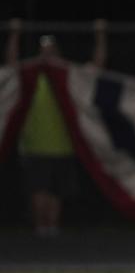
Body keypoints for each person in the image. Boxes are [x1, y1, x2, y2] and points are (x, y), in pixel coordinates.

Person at [8, 19, 108, 236]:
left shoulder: (67, 80)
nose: (48, 56)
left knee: (56, 192)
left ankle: (52, 230)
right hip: (35, 146)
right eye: (44, 51)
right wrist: (14, 35)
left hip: (63, 145)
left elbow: (95, 68)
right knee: (39, 190)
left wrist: (100, 37)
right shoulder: (31, 79)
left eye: (52, 51)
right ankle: (41, 228)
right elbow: (12, 66)